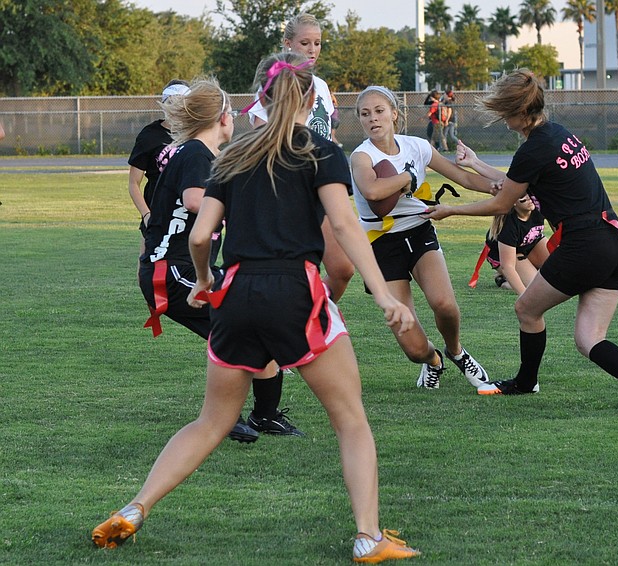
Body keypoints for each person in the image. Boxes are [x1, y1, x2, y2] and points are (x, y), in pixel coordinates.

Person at [92, 52, 421, 563]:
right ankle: (367, 536)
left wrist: (203, 281)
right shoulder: (321, 152)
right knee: (351, 419)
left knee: (211, 421)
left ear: (258, 99)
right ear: (312, 101)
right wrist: (382, 294)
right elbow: (345, 225)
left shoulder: (233, 156)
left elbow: (201, 235)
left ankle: (136, 507)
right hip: (295, 288)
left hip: (237, 291)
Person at [423, 69, 618, 410]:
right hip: (617, 242)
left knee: (526, 309)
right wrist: (475, 163)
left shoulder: (534, 149)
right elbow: (515, 181)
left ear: (521, 112)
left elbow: (503, 201)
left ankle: (526, 382)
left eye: (506, 114)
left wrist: (451, 211)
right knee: (589, 338)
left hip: (586, 246)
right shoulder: (558, 134)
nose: (505, 121)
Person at [137, 76, 301, 442]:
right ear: (222, 118)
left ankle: (263, 416)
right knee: (242, 329)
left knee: (254, 327)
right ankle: (230, 417)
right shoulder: (196, 152)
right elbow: (196, 201)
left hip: (184, 267)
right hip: (175, 271)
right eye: (230, 111)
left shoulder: (203, 154)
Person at [350, 85, 494, 390]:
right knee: (414, 348)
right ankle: (433, 360)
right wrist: (408, 178)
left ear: (394, 115)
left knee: (445, 305)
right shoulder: (361, 156)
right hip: (380, 243)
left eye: (379, 111)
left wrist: (497, 187)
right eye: (365, 114)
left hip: (418, 229)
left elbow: (464, 177)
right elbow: (373, 191)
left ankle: (456, 351)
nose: (373, 119)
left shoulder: (417, 147)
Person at [248, 11, 354, 302]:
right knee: (294, 270)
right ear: (288, 44)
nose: (312, 49)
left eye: (317, 43)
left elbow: (327, 133)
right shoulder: (273, 82)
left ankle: (314, 314)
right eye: (305, 42)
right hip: (288, 186)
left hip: (320, 185)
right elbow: (260, 137)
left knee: (343, 268)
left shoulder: (319, 85)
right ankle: (298, 326)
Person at [127, 80, 189, 250]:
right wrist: (147, 215)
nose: (176, 109)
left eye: (181, 103)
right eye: (171, 103)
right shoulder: (150, 135)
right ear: (164, 105)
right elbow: (133, 183)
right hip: (157, 213)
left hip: (187, 213)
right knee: (149, 266)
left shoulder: (196, 133)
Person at [478, 195, 549, 294]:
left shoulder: (538, 205)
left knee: (561, 271)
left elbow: (559, 228)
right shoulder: (508, 226)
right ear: (513, 202)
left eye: (530, 192)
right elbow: (507, 266)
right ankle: (504, 280)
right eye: (523, 196)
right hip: (506, 255)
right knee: (537, 286)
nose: (530, 198)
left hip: (530, 243)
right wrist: (524, 297)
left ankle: (527, 270)